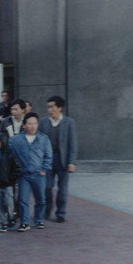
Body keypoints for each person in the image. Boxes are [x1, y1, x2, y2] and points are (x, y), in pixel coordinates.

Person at [8, 113, 52, 231]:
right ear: (24, 125)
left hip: (39, 174)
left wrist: (44, 170)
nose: (32, 126)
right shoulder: (16, 140)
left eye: (35, 123)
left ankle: (39, 220)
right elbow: (11, 156)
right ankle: (24, 222)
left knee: (41, 199)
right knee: (23, 199)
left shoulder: (43, 139)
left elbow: (48, 156)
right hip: (24, 175)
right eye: (29, 124)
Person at [39, 95, 78, 223]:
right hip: (47, 160)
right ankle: (47, 210)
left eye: (52, 107)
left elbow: (73, 143)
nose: (49, 110)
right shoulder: (43, 122)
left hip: (63, 160)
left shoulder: (69, 122)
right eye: (48, 107)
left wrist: (72, 162)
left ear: (60, 108)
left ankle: (61, 213)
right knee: (46, 187)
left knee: (63, 189)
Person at [0, 133, 22, 232]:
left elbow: (18, 168)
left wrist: (11, 179)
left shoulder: (10, 155)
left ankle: (11, 218)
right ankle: (3, 223)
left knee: (9, 202)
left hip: (8, 185)